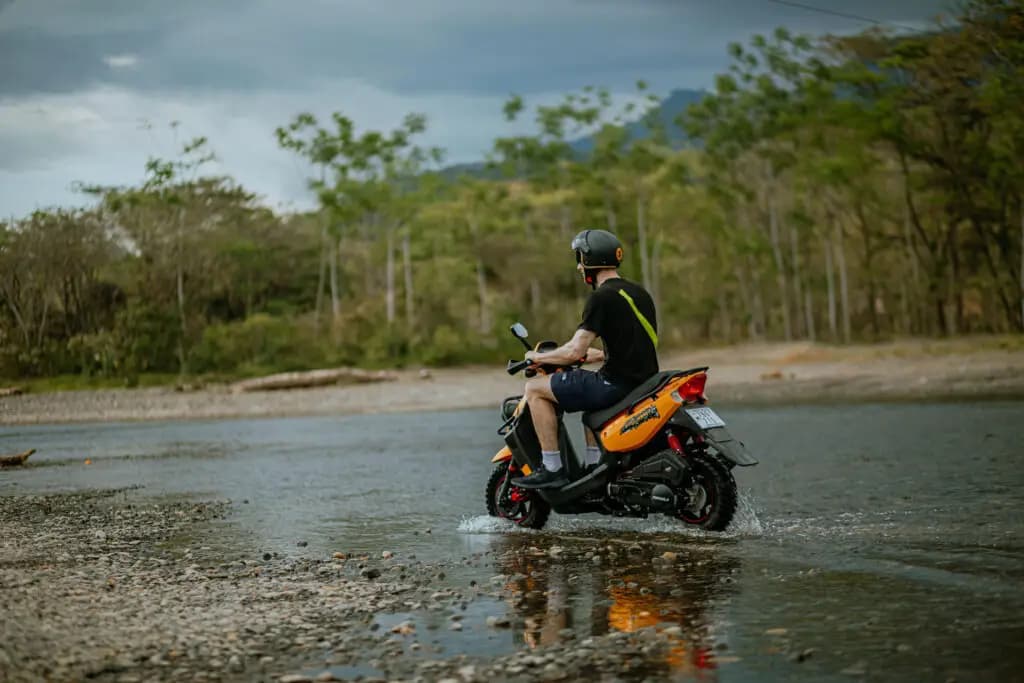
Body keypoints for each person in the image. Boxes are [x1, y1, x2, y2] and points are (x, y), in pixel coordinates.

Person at [512, 228, 659, 489]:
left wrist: (536, 355)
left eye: (580, 259)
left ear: (591, 260)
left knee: (534, 389)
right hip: (645, 383)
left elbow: (573, 351)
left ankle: (552, 468)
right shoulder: (639, 293)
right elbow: (632, 342)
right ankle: (594, 468)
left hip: (616, 385)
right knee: (590, 405)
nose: (579, 266)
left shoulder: (601, 298)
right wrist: (598, 356)